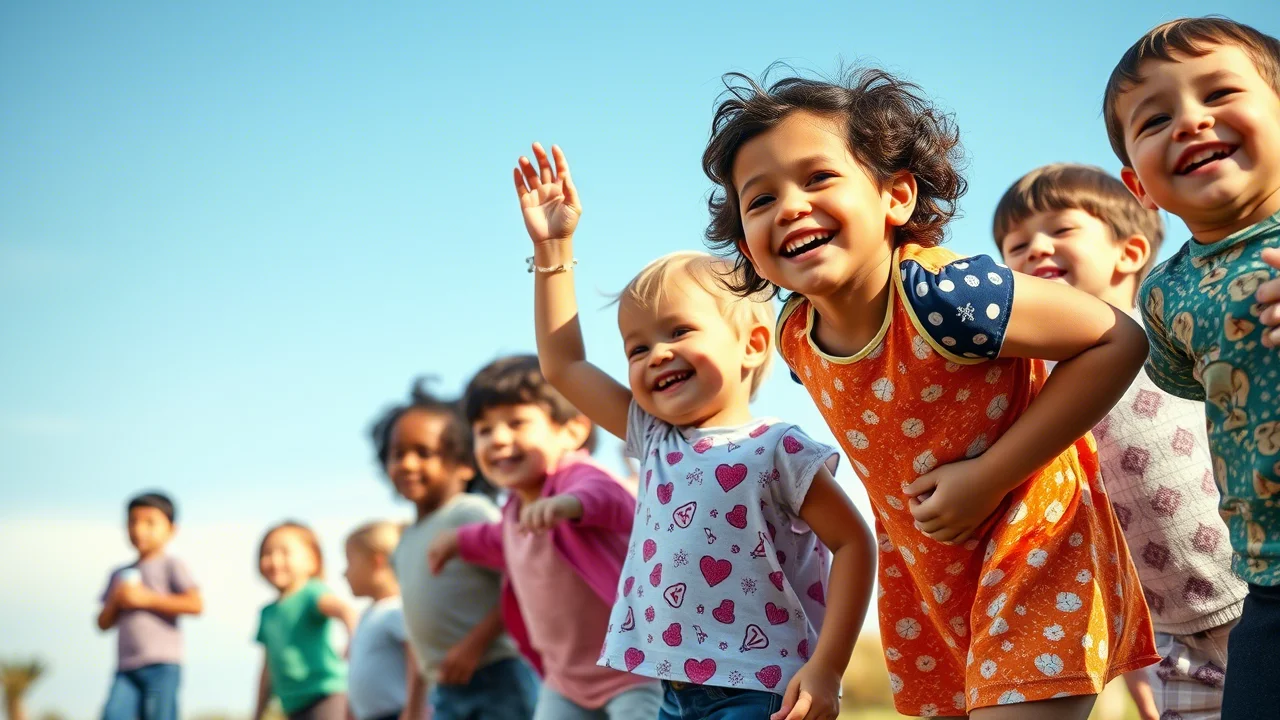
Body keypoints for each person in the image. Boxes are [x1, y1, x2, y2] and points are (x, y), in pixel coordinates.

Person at [700, 67, 1160, 718]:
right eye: (760, 199)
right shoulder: (797, 336)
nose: (791, 207)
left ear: (896, 197)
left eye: (818, 177)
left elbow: (1117, 340)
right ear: (747, 240)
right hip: (929, 580)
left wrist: (992, 475)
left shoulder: (944, 295)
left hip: (1034, 547)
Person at [515, 143, 877, 720]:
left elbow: (855, 543)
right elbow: (563, 365)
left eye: (679, 332)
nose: (657, 354)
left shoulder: (776, 448)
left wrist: (828, 667)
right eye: (637, 347)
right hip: (671, 691)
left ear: (752, 345)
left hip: (764, 690)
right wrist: (553, 248)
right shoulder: (654, 438)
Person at [994, 163, 1247, 720]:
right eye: (1015, 245)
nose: (1035, 248)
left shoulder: (1160, 332)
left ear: (1129, 253)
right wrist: (1136, 657)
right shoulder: (1035, 387)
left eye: (1060, 230)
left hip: (1255, 599)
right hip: (1175, 642)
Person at [1101, 16, 1280, 716]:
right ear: (1137, 184)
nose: (1191, 122)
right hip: (1266, 575)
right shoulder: (1166, 295)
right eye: (1155, 119)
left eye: (1218, 94)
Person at [427, 355, 663, 719]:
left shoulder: (576, 476)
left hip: (632, 670)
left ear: (571, 431)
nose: (499, 439)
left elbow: (609, 497)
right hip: (565, 680)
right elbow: (497, 540)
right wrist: (457, 541)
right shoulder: (512, 512)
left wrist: (570, 504)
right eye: (485, 430)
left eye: (517, 422)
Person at [371, 381, 538, 720]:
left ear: (464, 464)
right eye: (397, 453)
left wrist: (474, 644)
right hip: (444, 690)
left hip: (497, 676)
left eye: (423, 453)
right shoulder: (403, 543)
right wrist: (414, 704)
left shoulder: (469, 513)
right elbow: (418, 632)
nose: (406, 464)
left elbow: (524, 580)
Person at [98, 492, 203, 720]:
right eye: (133, 522)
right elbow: (102, 623)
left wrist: (147, 599)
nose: (139, 530)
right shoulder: (118, 574)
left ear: (172, 529)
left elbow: (195, 604)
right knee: (113, 715)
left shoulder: (171, 565)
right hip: (126, 667)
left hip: (162, 665)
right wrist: (117, 600)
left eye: (150, 523)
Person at [253, 522, 355, 720]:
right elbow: (268, 669)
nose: (274, 560)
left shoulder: (312, 593)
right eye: (267, 553)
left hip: (326, 697)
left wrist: (354, 636)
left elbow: (344, 611)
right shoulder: (267, 613)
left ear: (312, 561)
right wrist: (257, 713)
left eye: (284, 552)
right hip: (292, 705)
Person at [344, 521, 418, 720]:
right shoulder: (368, 615)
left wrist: (413, 710)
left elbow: (416, 658)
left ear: (377, 562)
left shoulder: (395, 609)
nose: (344, 572)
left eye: (350, 562)